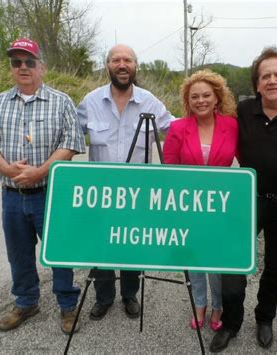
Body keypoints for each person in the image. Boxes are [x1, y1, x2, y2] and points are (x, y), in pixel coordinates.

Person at [209, 46, 277, 353]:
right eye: (265, 75)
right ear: (257, 83)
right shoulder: (243, 111)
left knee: (276, 264)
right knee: (233, 262)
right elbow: (208, 120)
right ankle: (231, 322)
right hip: (247, 199)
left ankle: (265, 318)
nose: (272, 80)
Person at [0, 38, 85, 334]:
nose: (23, 67)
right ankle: (26, 301)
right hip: (11, 195)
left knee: (58, 250)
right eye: (16, 62)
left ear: (42, 67)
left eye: (29, 61)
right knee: (19, 252)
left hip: (49, 192)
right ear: (11, 68)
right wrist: (7, 169)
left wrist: (40, 172)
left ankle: (67, 305)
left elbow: (71, 142)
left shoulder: (61, 101)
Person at [77, 44, 173, 321]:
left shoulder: (151, 103)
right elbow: (67, 131)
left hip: (138, 194)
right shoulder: (90, 102)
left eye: (127, 60)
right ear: (107, 65)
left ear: (135, 66)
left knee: (133, 245)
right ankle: (103, 297)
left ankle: (130, 294)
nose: (122, 64)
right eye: (116, 60)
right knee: (101, 245)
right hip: (101, 193)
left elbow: (175, 129)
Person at [163, 69, 238, 332]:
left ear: (216, 97)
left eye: (206, 95)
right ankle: (199, 303)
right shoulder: (177, 128)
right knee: (193, 259)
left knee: (216, 261)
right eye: (194, 96)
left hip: (219, 207)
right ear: (188, 100)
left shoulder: (231, 125)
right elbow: (169, 170)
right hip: (188, 206)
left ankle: (217, 306)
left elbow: (247, 161)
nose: (201, 100)